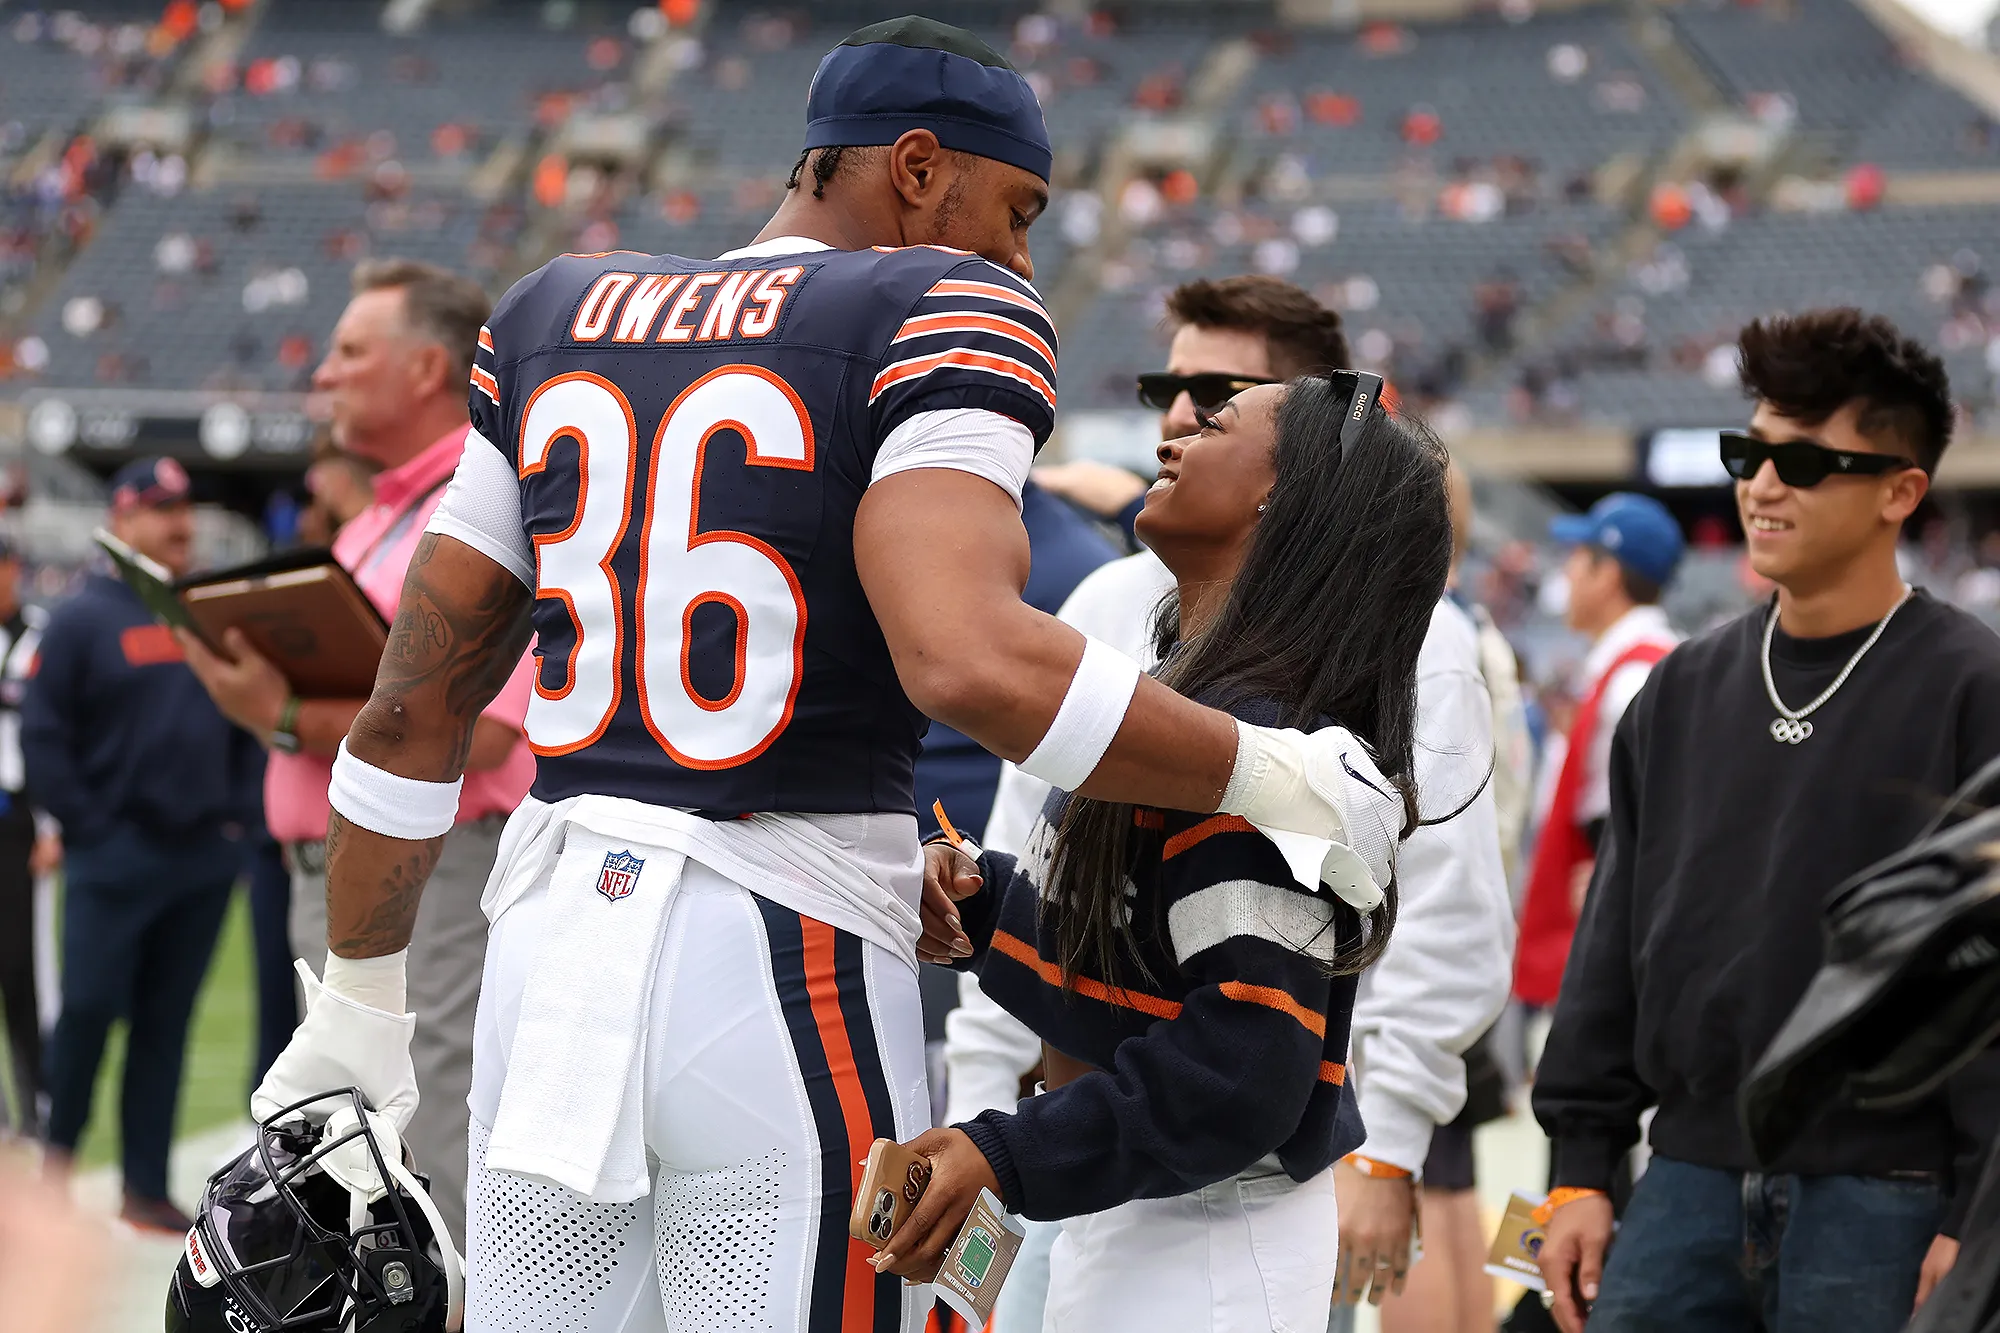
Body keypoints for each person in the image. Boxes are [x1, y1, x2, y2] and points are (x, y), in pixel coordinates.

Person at [253, 19, 1399, 1333]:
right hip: (775, 950)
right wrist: (1280, 772)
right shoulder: (942, 307)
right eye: (1014, 208)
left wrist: (358, 999)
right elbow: (964, 656)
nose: (1023, 252)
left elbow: (413, 707)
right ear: (919, 168)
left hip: (543, 941)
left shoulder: (549, 311)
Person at [954, 275, 1512, 1333]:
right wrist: (981, 918)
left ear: (1286, 483)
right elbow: (1127, 974)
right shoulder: (1131, 614)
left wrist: (1387, 1144)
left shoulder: (1299, 725)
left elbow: (1251, 1058)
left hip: (1207, 1200)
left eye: (1216, 401)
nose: (1172, 421)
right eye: (1168, 386)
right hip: (1107, 1158)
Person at [1534, 309, 2000, 1333]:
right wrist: (1576, 1167)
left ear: (1898, 490)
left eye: (1802, 460)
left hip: (1890, 1190)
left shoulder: (1972, 685)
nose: (1761, 483)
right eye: (1749, 452)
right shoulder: (1681, 686)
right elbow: (1610, 947)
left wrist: (1975, 1216)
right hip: (1685, 1173)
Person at [179, 258, 535, 1241]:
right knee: (358, 1147)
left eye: (349, 351)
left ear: (427, 369)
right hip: (350, 869)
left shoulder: (480, 505)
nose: (323, 375)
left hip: (433, 867)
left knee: (428, 1130)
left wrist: (286, 716)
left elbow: (489, 726)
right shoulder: (380, 512)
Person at [22, 457, 262, 1233]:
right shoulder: (82, 617)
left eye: (184, 508)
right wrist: (89, 825)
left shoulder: (207, 609)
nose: (178, 523)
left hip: (201, 854)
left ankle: (144, 1183)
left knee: (167, 1021)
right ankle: (52, 1171)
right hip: (114, 852)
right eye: (159, 510)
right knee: (88, 1011)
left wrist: (234, 822)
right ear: (121, 521)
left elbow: (246, 723)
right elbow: (44, 734)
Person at [1512, 493, 1683, 1015]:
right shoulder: (1627, 666)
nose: (1567, 573)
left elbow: (1660, 819)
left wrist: (1622, 878)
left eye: (1579, 558)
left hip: (1613, 960)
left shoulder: (1636, 675)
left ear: (1608, 575)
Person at [0, 538, 50, 1134]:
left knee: (26, 968)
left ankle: (36, 1097)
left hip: (21, 818)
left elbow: (52, 738)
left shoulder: (40, 638)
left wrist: (51, 825)